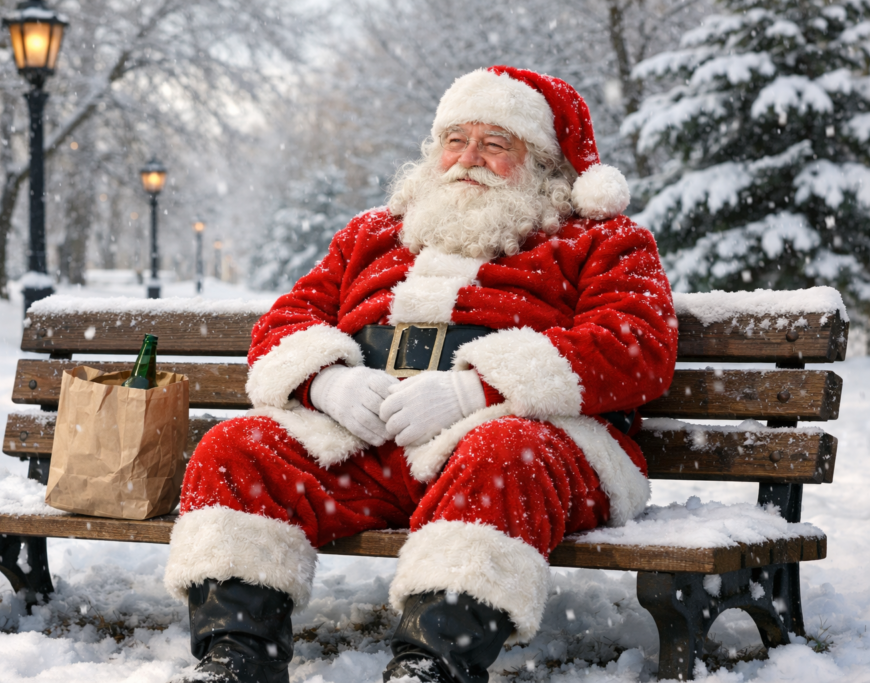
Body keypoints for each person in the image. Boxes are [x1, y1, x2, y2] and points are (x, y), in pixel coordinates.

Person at [164, 65, 678, 683]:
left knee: (501, 453)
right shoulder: (372, 234)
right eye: (456, 139)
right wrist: (327, 381)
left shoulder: (600, 239)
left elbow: (636, 343)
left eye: (495, 144)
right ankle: (235, 655)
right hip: (374, 441)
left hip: (527, 446)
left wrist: (476, 388)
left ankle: (432, 664)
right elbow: (287, 319)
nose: (469, 159)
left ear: (543, 161)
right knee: (236, 448)